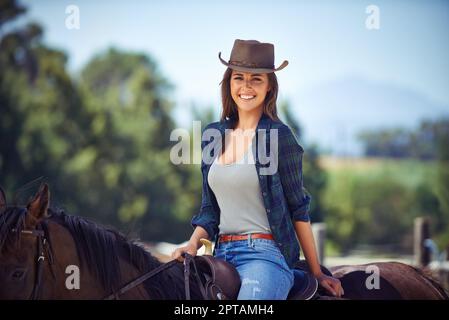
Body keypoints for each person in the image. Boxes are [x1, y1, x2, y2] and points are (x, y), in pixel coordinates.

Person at [172, 39, 343, 299]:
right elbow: (209, 210)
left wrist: (317, 273)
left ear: (269, 88)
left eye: (257, 79)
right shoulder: (212, 135)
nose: (246, 86)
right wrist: (192, 244)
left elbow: (299, 208)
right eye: (239, 78)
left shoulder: (279, 136)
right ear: (229, 83)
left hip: (266, 255)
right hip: (220, 257)